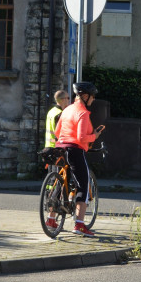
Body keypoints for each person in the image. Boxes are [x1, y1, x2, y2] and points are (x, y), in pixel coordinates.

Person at [53, 82, 105, 237]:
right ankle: (79, 225)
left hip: (61, 148)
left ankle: (50, 219)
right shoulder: (82, 113)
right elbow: (82, 137)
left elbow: (57, 132)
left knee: (61, 182)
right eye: (92, 96)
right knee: (83, 184)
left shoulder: (67, 109)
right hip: (75, 150)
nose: (93, 99)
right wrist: (94, 136)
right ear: (85, 96)